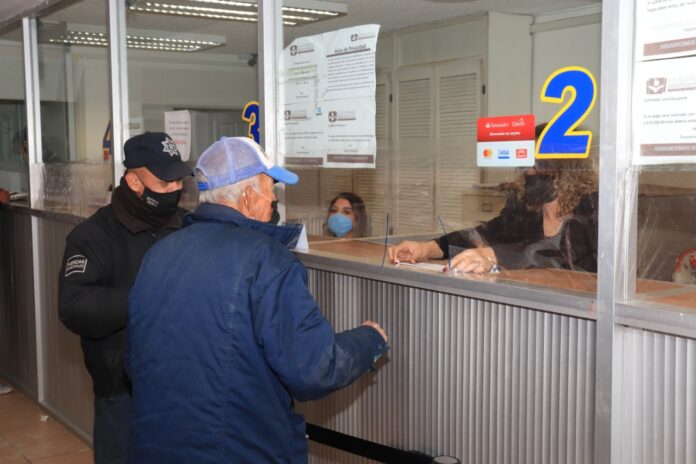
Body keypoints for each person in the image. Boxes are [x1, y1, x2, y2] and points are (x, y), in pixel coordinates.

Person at [125, 137, 389, 463]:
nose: (274, 198)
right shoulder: (267, 260)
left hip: (156, 446)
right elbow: (314, 367)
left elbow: (134, 360)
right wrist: (369, 339)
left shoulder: (158, 254)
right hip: (240, 451)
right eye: (270, 188)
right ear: (249, 198)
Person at [58, 132, 193, 464]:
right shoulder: (91, 237)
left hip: (185, 384)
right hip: (122, 391)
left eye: (179, 181)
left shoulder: (189, 227)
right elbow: (74, 306)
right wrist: (143, 296)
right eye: (164, 182)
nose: (175, 189)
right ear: (133, 181)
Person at [389, 132, 598, 274]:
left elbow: (561, 252)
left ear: (565, 167)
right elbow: (482, 235)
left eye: (537, 164)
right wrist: (429, 248)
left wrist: (492, 255)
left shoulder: (591, 206)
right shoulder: (526, 210)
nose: (529, 172)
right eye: (525, 164)